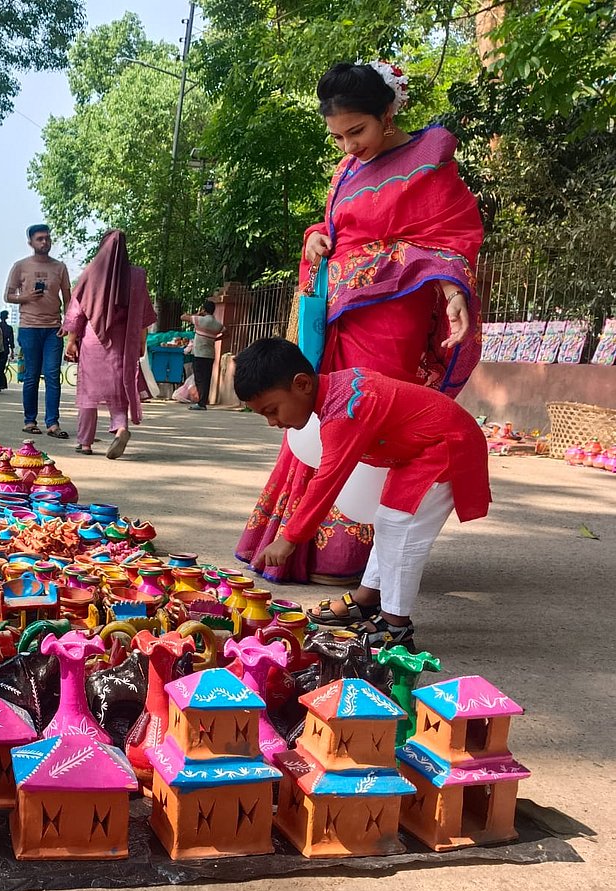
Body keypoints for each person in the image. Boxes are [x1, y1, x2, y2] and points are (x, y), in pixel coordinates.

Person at [235, 61, 484, 592]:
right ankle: (300, 546)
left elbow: (450, 236)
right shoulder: (346, 170)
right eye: (339, 136)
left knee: (362, 423)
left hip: (394, 313)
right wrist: (314, 241)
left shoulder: (429, 160)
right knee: (318, 414)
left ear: (388, 112)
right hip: (336, 314)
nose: (349, 146)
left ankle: (360, 557)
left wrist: (452, 288)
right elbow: (334, 228)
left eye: (358, 131)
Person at [235, 338, 489, 649]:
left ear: (301, 384)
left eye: (272, 410)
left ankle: (395, 626)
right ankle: (368, 598)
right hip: (421, 449)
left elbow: (328, 480)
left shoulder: (344, 413)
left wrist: (290, 538)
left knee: (400, 526)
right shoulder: (337, 389)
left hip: (447, 446)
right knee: (388, 521)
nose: (273, 422)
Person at [62, 230, 156, 459]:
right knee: (119, 390)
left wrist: (72, 341)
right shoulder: (136, 276)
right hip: (123, 343)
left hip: (94, 341)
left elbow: (78, 311)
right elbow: (143, 315)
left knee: (88, 394)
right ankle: (121, 428)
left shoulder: (91, 274)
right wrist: (141, 343)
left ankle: (85, 442)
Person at [5, 224, 72, 438]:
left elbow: (68, 298)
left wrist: (68, 323)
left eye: (47, 238)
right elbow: (8, 296)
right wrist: (25, 297)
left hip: (53, 328)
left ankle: (53, 423)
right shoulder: (20, 266)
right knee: (32, 375)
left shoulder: (60, 267)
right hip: (29, 327)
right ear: (31, 243)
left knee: (53, 374)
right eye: (40, 239)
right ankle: (30, 420)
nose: (44, 242)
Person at [184, 300, 224, 410]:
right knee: (206, 378)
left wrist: (198, 313)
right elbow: (227, 332)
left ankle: (201, 403)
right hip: (210, 354)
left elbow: (183, 317)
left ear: (204, 310)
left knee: (199, 378)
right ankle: (203, 401)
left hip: (199, 353)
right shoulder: (217, 325)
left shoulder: (200, 320)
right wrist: (215, 338)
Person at [0, 310, 15, 387]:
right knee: (1, 367)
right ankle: (0, 384)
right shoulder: (9, 328)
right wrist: (12, 351)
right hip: (5, 348)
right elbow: (11, 341)